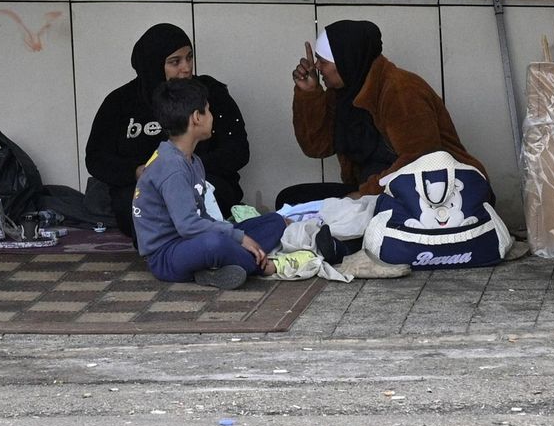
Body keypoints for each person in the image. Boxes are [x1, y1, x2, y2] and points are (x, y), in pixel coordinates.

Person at [279, 19, 488, 208]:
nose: (317, 67)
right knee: (291, 200)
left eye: (323, 61)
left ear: (347, 61)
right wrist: (310, 94)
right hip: (377, 191)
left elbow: (421, 162)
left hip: (435, 197)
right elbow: (317, 147)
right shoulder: (344, 92)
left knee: (336, 227)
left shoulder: (401, 90)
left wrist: (361, 196)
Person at [86, 23, 250, 236]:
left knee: (203, 202)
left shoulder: (210, 94)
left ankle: (195, 243)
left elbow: (238, 151)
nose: (187, 68)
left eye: (189, 58)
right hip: (143, 187)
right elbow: (97, 158)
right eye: (175, 62)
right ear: (153, 65)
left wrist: (187, 170)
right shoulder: (120, 102)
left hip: (202, 183)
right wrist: (138, 171)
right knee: (132, 204)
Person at [133, 79, 285, 290]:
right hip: (167, 256)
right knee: (216, 244)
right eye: (208, 110)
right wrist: (238, 238)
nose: (212, 117)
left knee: (273, 222)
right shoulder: (172, 167)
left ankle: (213, 271)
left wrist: (237, 235)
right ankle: (261, 266)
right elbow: (188, 226)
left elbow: (201, 217)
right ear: (196, 117)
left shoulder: (192, 161)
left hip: (191, 240)